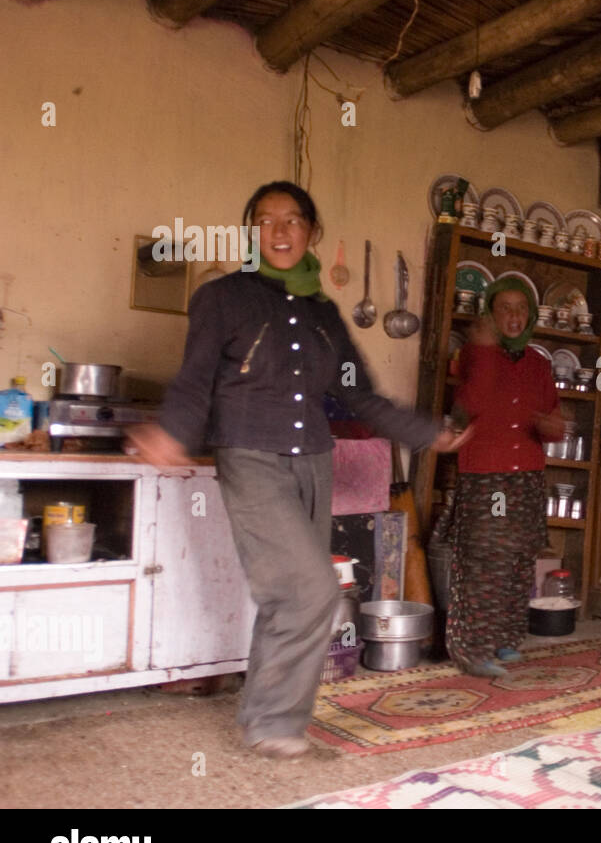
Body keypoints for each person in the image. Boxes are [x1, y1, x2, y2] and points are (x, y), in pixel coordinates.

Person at [127, 181, 471, 759]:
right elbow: (195, 378)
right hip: (250, 454)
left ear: (313, 233)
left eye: (293, 220)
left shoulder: (324, 315)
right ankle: (276, 725)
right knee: (310, 589)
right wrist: (171, 431)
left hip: (314, 459)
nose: (280, 231)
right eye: (266, 221)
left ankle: (266, 717)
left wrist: (424, 431)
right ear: (252, 233)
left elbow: (360, 396)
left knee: (289, 595)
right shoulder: (223, 297)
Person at [448, 276, 566, 677]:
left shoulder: (539, 364)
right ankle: (473, 650)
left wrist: (549, 424)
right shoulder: (473, 355)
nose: (514, 316)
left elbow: (556, 426)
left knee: (518, 561)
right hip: (487, 475)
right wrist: (482, 351)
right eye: (505, 308)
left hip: (528, 476)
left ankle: (505, 640)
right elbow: (467, 407)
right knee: (485, 561)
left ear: (530, 315)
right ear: (491, 314)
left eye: (521, 308)